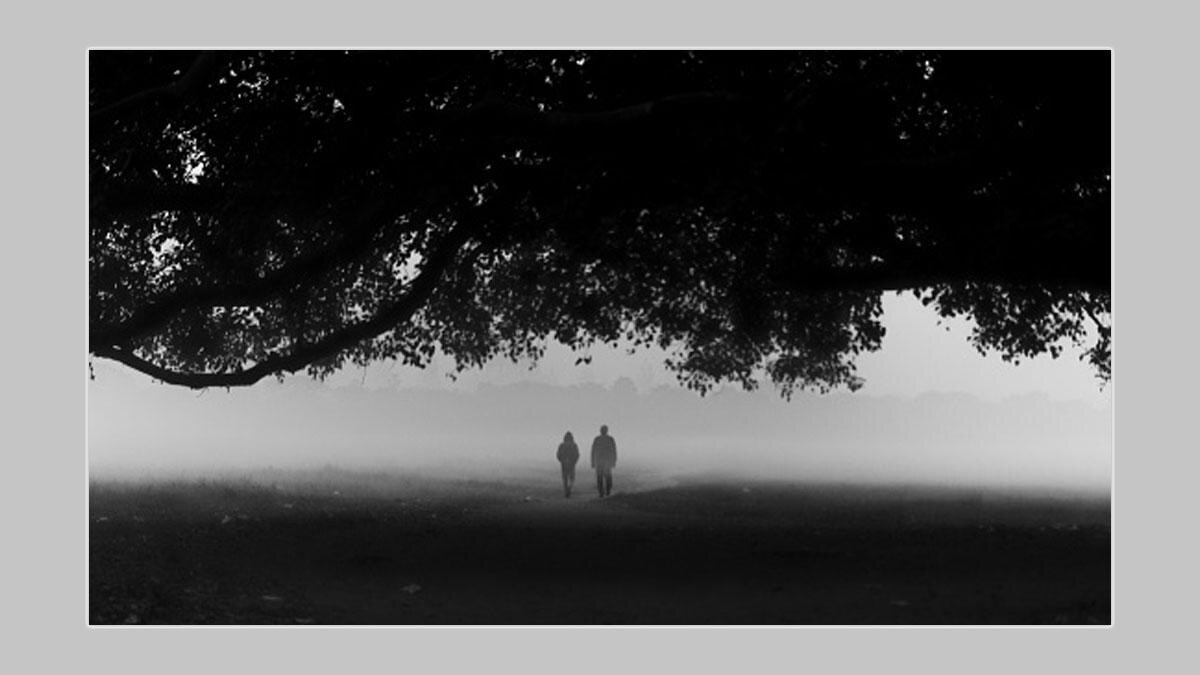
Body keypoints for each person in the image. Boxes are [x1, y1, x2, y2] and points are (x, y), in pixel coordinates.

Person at [590, 424, 617, 498]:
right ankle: (607, 491)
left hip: (599, 461)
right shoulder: (610, 439)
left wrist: (592, 462)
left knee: (600, 478)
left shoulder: (597, 439)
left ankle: (601, 492)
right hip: (606, 461)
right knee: (607, 477)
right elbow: (614, 451)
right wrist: (614, 461)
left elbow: (593, 451)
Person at [556, 431, 580, 498]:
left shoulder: (562, 445)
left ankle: (566, 490)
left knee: (565, 478)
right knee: (572, 478)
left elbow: (558, 454)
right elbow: (577, 455)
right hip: (572, 464)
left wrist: (562, 461)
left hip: (564, 464)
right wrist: (574, 462)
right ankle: (570, 488)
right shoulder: (574, 445)